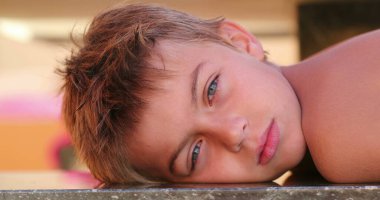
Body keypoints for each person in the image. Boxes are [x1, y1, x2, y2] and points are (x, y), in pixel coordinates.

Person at [59, 3, 380, 185]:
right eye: (195, 153)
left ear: (240, 41)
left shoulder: (337, 137)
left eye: (212, 89)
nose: (231, 133)